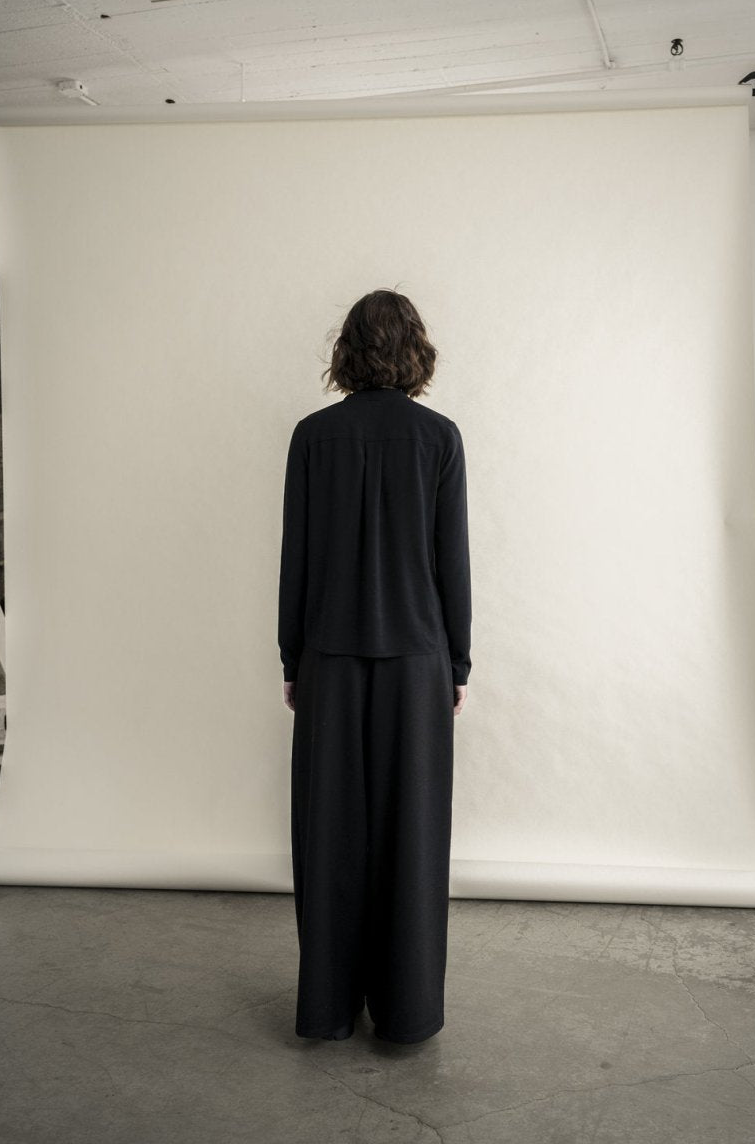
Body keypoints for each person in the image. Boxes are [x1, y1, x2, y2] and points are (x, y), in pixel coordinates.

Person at [278, 288, 472, 1044]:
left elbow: (297, 559)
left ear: (347, 350)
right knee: (412, 839)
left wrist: (293, 657)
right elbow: (451, 562)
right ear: (415, 349)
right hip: (418, 662)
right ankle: (408, 1012)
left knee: (329, 836)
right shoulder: (439, 437)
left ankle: (328, 1009)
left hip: (328, 658)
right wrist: (456, 663)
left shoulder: (312, 437)